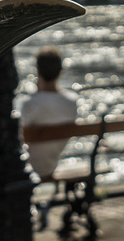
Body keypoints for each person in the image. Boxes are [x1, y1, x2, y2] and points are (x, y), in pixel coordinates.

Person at [20, 47, 80, 181]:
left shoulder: (29, 103)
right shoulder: (72, 101)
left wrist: (37, 92)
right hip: (50, 166)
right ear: (60, 71)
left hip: (27, 168)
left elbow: (18, 139)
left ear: (38, 70)